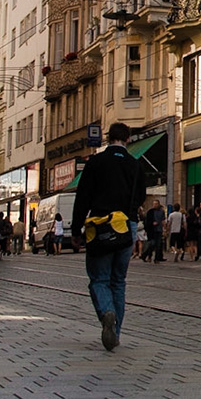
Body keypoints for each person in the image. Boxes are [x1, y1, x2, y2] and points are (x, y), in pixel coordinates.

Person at [74, 123, 143, 351]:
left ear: (108, 138)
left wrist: (76, 230)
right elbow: (140, 195)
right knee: (118, 281)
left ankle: (106, 312)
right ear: (128, 139)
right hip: (125, 226)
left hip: (101, 227)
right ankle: (116, 333)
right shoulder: (135, 165)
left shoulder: (95, 162)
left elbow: (83, 197)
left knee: (99, 278)